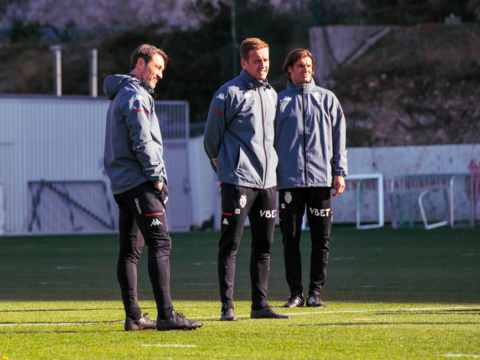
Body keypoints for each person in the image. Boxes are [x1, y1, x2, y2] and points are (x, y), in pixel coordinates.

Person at [103, 44, 203, 331]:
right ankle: (166, 315)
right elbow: (142, 140)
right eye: (157, 67)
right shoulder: (135, 94)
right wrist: (157, 177)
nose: (160, 74)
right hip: (139, 183)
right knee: (160, 243)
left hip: (123, 184)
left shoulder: (120, 93)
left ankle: (134, 317)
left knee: (129, 251)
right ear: (140, 63)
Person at [204, 38, 291, 321]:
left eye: (266, 60)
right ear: (244, 63)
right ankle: (227, 307)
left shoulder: (271, 94)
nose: (263, 65)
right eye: (257, 61)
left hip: (268, 182)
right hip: (238, 180)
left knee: (264, 246)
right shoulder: (226, 94)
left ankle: (259, 306)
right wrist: (222, 166)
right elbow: (210, 139)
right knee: (230, 245)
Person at [274, 48, 347, 308]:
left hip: (320, 181)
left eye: (308, 65)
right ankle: (295, 293)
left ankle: (316, 293)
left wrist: (339, 172)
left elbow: (340, 137)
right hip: (288, 183)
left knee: (321, 240)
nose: (305, 70)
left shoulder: (328, 99)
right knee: (290, 238)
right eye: (300, 66)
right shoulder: (278, 101)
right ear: (289, 70)